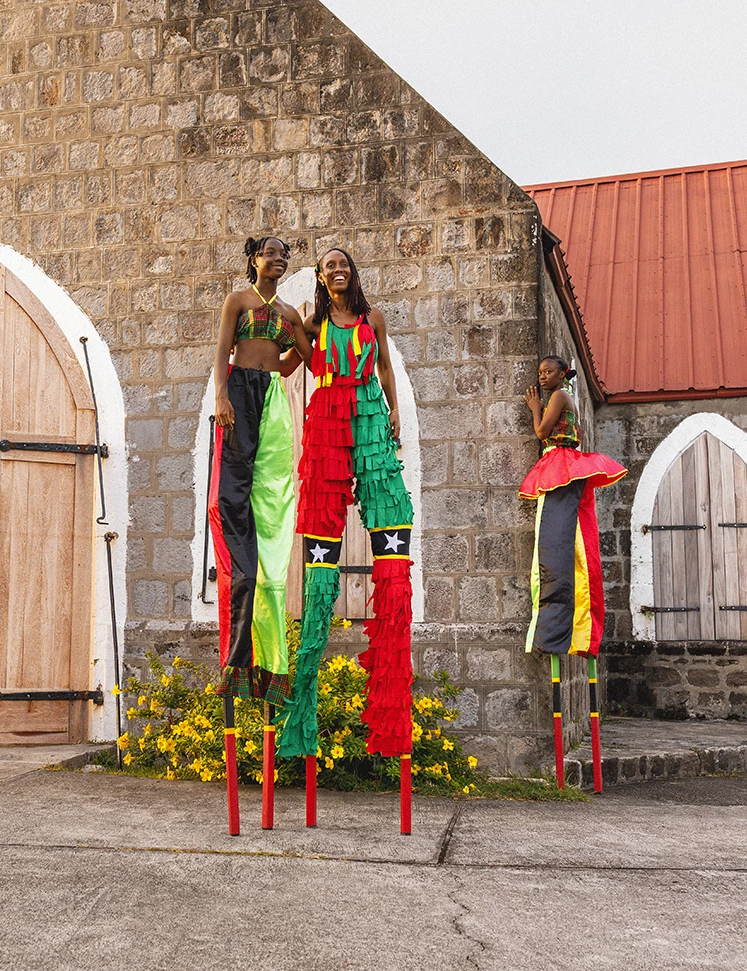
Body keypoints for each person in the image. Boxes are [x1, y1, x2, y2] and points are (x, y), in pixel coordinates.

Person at [278, 247, 414, 761]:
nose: (338, 271)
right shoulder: (313, 325)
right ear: (320, 276)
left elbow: (385, 368)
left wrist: (395, 410)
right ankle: (301, 708)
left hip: (370, 419)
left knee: (391, 538)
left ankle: (391, 715)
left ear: (352, 273)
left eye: (344, 265)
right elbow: (289, 367)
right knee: (320, 564)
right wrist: (276, 332)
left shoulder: (372, 318)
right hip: (327, 424)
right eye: (329, 266)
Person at [208, 235, 304, 705]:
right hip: (239, 391)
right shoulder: (238, 300)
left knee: (274, 488)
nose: (278, 259)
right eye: (270, 253)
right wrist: (221, 396)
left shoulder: (288, 313)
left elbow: (298, 361)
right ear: (254, 259)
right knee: (233, 489)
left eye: (284, 254)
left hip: (271, 397)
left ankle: (270, 662)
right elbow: (222, 351)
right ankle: (238, 656)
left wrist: (310, 329)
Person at [521, 356, 627, 658]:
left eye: (548, 372)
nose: (542, 377)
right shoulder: (564, 396)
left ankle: (555, 628)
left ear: (561, 374)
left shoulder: (559, 396)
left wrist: (535, 407)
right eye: (540, 373)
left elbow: (541, 432)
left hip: (560, 461)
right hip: (560, 459)